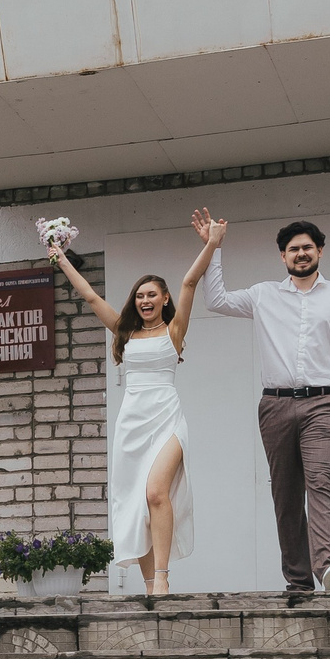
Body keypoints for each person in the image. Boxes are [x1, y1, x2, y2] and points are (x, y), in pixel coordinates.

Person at [194, 213, 330, 593]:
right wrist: (213, 247)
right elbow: (216, 300)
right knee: (286, 495)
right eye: (293, 249)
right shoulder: (263, 295)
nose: (300, 254)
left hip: (323, 404)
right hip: (275, 407)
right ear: (282, 257)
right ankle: (299, 581)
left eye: (307, 247)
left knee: (322, 482)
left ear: (320, 251)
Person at [52, 230, 211, 595]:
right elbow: (91, 297)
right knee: (138, 506)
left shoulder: (174, 331)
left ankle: (164, 577)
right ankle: (150, 584)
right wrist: (61, 259)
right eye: (139, 296)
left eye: (152, 294)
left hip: (167, 418)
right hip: (132, 424)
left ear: (164, 298)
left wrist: (211, 244)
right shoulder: (124, 333)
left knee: (157, 493)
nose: (145, 300)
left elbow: (190, 281)